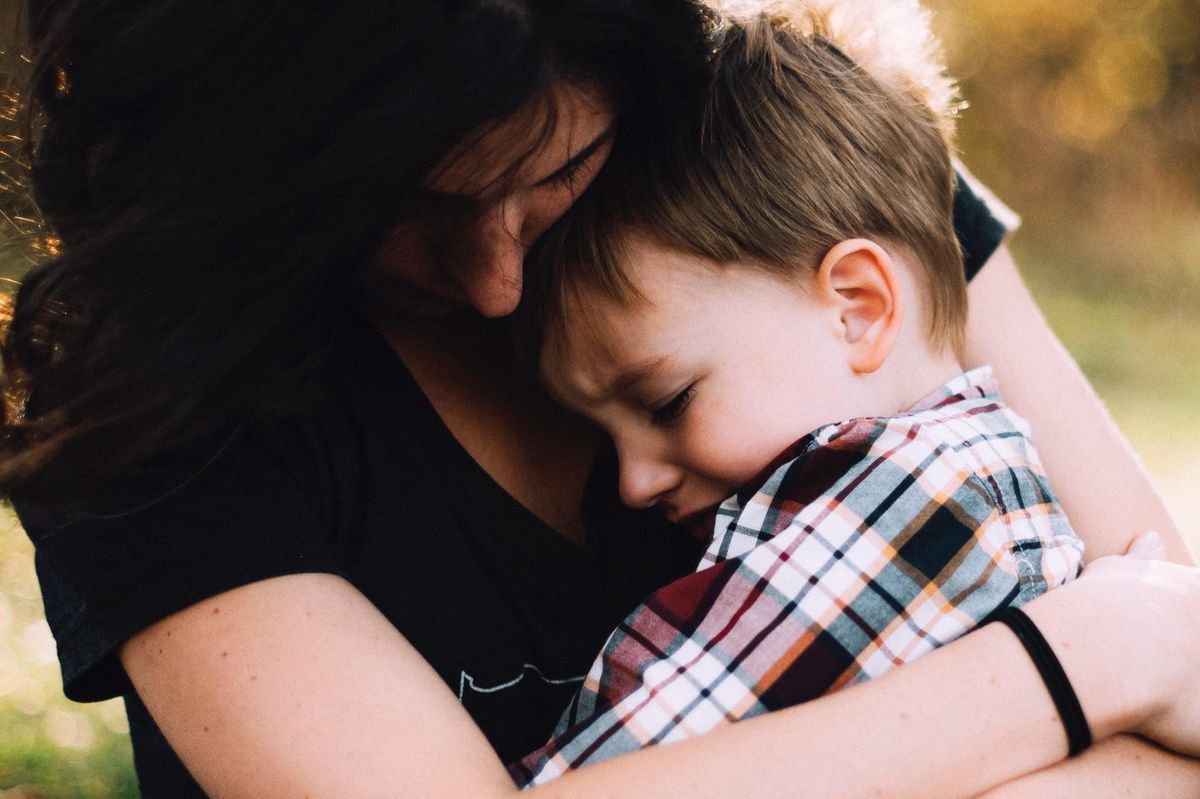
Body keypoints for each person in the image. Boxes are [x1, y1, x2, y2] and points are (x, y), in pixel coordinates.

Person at [0, 1, 1198, 797]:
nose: (494, 284)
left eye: (555, 175)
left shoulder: (799, 172)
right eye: (397, 214)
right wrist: (1076, 666)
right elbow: (1154, 647)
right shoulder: (154, 391)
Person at [511, 1, 1086, 782]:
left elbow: (633, 761)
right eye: (604, 434)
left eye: (668, 401)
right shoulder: (969, 476)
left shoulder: (914, 503)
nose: (632, 480)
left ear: (856, 307)